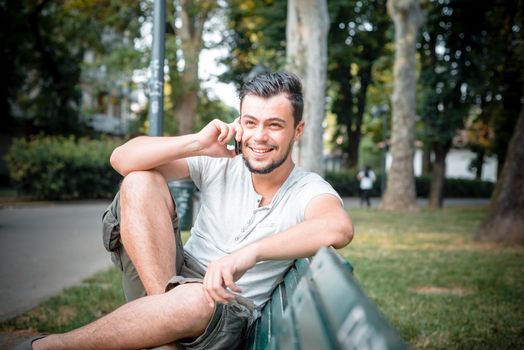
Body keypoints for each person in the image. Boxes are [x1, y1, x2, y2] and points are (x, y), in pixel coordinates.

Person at [17, 71, 353, 350]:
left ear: (298, 130)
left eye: (275, 125)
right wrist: (197, 143)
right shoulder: (219, 160)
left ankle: (51, 347)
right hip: (168, 278)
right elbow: (121, 159)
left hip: (224, 307)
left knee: (197, 300)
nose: (259, 136)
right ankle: (165, 332)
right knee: (139, 181)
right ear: (239, 123)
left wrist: (248, 254)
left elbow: (337, 228)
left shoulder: (307, 188)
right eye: (251, 122)